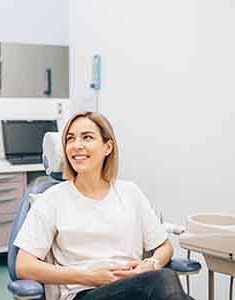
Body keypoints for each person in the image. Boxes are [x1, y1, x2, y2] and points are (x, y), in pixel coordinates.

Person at [14, 112, 193, 300]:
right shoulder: (51, 199)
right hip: (85, 293)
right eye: (70, 139)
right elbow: (23, 265)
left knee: (165, 284)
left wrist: (149, 265)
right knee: (164, 280)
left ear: (108, 147)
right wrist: (90, 276)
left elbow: (164, 246)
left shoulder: (130, 193)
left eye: (87, 137)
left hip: (137, 288)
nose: (76, 145)